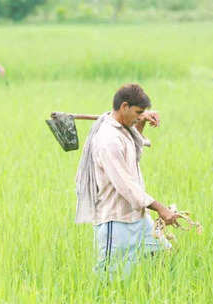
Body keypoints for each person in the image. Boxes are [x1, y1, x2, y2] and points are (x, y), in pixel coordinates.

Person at [75, 83, 181, 277]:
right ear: (124, 107)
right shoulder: (108, 140)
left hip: (137, 218)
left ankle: (153, 293)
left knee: (164, 256)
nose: (141, 116)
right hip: (115, 222)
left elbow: (133, 155)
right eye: (138, 112)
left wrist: (139, 123)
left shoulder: (123, 129)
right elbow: (126, 185)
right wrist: (160, 208)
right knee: (109, 278)